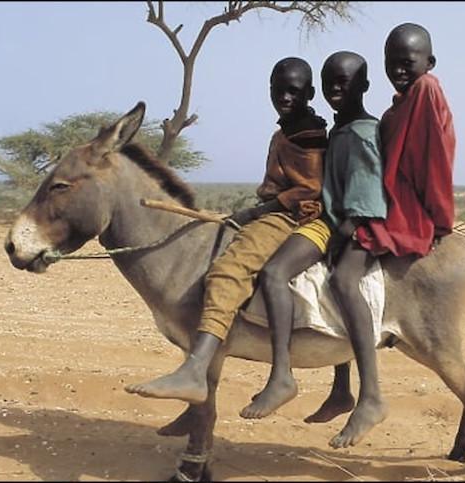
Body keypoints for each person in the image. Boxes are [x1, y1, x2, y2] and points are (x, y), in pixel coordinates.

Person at [124, 57, 329, 404]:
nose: (285, 97)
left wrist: (255, 211)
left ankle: (196, 368)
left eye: (294, 91)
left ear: (309, 93)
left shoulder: (307, 136)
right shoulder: (287, 130)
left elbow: (306, 191)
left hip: (294, 215)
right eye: (278, 90)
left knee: (228, 271)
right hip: (279, 209)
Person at [240, 51, 389, 449]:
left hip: (353, 223)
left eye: (344, 83)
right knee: (324, 283)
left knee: (320, 279)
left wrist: (342, 230)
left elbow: (363, 191)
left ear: (364, 86)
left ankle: (359, 389)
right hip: (332, 218)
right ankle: (342, 389)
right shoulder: (338, 129)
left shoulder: (359, 133)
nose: (335, 91)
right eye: (330, 85)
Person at [355, 22, 456, 258]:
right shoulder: (395, 109)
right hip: (395, 203)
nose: (398, 71)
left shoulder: (425, 89)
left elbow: (435, 164)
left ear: (429, 63)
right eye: (391, 63)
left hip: (409, 212)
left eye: (407, 64)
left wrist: (440, 221)